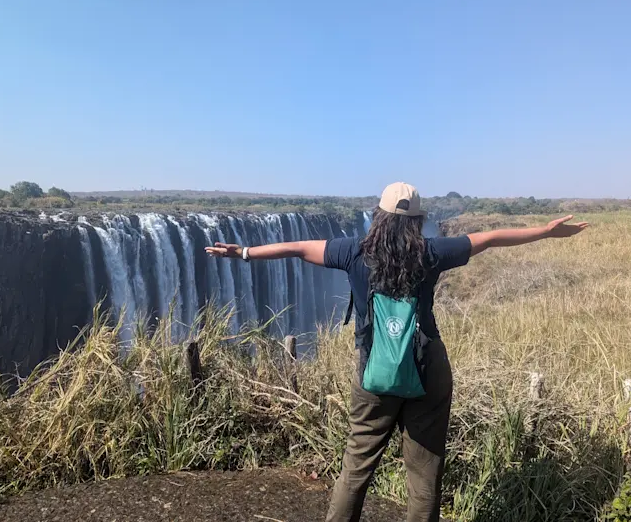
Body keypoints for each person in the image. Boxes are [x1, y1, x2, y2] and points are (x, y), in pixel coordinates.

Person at [206, 182, 588, 522]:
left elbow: (299, 248)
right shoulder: (433, 252)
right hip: (427, 370)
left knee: (356, 467)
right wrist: (546, 232)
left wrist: (244, 253)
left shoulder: (352, 252)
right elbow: (489, 237)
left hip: (373, 371)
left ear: (379, 216)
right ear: (418, 220)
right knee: (424, 473)